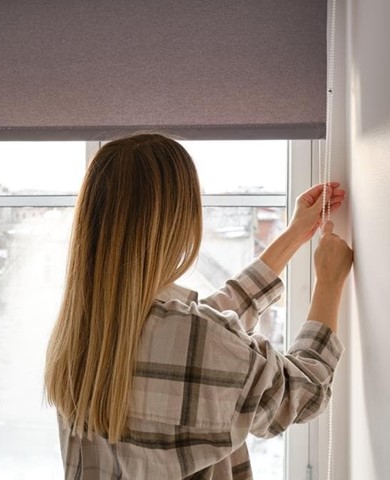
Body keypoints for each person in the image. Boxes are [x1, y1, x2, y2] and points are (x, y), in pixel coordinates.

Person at [44, 133, 353, 479]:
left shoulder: (78, 334)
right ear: (175, 222)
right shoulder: (196, 338)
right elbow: (305, 390)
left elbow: (206, 328)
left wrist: (295, 233)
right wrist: (329, 283)